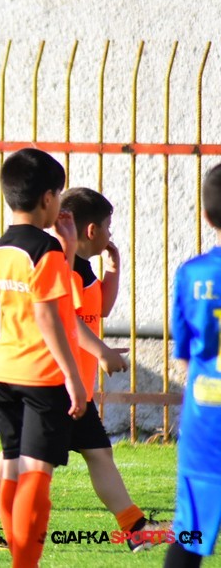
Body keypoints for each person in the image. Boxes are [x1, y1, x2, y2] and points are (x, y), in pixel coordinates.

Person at [0, 186, 165, 553]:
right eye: (108, 226)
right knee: (17, 456)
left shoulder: (81, 268)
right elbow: (64, 317)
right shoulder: (58, 262)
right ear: (92, 230)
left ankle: (135, 528)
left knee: (97, 454)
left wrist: (113, 270)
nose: (111, 234)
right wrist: (101, 351)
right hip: (53, 383)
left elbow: (98, 309)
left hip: (75, 388)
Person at [0, 148, 86, 568]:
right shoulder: (44, 249)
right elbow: (48, 316)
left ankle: (20, 557)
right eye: (59, 195)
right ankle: (25, 563)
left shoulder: (4, 246)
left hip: (5, 370)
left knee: (13, 468)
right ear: (47, 198)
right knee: (36, 475)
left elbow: (44, 297)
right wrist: (73, 377)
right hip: (41, 374)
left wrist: (68, 249)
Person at [164, 163, 221, 567]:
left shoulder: (192, 274)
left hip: (207, 421)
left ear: (206, 215)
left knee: (190, 533)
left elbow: (184, 354)